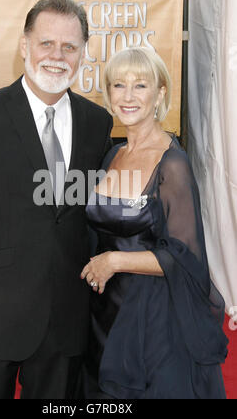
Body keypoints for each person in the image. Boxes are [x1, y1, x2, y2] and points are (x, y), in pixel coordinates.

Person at [0, 0, 113, 399]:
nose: (57, 55)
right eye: (46, 43)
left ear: (83, 53)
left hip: (65, 323)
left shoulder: (97, 122)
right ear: (24, 46)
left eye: (69, 46)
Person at [81, 47, 228, 399]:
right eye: (118, 85)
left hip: (153, 320)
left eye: (140, 85)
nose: (128, 96)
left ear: (161, 93)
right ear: (108, 93)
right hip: (104, 313)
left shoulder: (173, 164)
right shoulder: (113, 154)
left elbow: (186, 255)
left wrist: (114, 261)